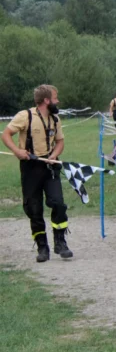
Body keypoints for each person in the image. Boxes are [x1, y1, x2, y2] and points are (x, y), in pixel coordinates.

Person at [1, 84, 74, 261]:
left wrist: (54, 155)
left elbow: (60, 142)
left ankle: (60, 242)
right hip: (30, 167)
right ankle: (42, 247)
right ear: (46, 100)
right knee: (34, 208)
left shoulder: (55, 119)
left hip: (50, 166)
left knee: (58, 203)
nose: (58, 101)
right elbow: (6, 134)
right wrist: (17, 152)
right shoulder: (25, 116)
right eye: (55, 98)